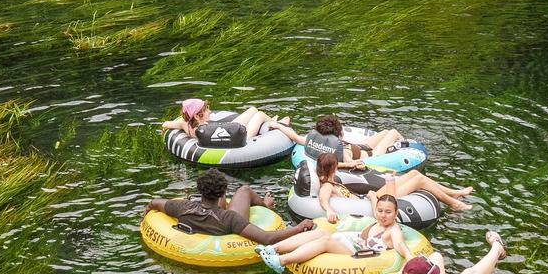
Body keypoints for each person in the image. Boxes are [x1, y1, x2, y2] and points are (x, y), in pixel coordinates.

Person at [147, 169, 313, 246]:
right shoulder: (230, 219)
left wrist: (146, 217)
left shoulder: (182, 206)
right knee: (244, 190)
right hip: (220, 223)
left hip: (202, 216)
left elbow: (154, 203)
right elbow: (266, 239)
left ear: (200, 190)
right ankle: (266, 205)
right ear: (223, 192)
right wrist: (299, 227)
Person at [306, 151, 472, 222]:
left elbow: (335, 166)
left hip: (370, 197)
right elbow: (323, 198)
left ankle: (454, 193)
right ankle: (454, 203)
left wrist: (349, 164)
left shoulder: (329, 177)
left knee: (415, 174)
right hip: (374, 203)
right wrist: (328, 210)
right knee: (418, 180)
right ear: (331, 168)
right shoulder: (327, 185)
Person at [272, 191, 416, 267]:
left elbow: (399, 244)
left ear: (396, 214)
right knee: (321, 232)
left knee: (326, 241)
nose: (383, 215)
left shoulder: (393, 230)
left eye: (388, 212)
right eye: (380, 211)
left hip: (357, 255)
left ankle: (282, 260)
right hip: (352, 243)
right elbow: (376, 207)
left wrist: (409, 257)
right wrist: (372, 196)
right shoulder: (378, 220)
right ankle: (274, 248)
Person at [267, 114, 403, 166]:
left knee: (384, 133)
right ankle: (405, 146)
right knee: (392, 132)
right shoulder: (341, 151)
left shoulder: (312, 141)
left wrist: (278, 125)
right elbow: (353, 163)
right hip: (372, 154)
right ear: (338, 135)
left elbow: (294, 136)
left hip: (361, 147)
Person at [159, 98, 275, 144]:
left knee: (253, 109)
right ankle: (274, 124)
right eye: (206, 110)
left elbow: (166, 123)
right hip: (237, 135)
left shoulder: (186, 125)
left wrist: (164, 129)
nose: (209, 111)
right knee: (259, 114)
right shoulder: (204, 129)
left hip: (229, 128)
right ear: (197, 116)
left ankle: (270, 123)